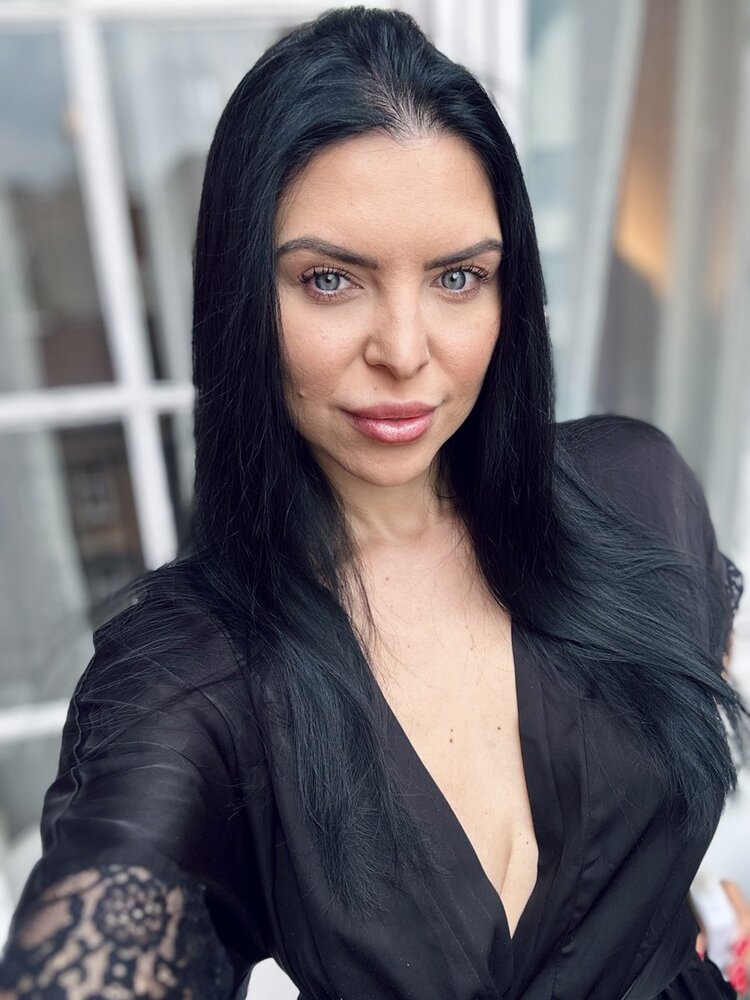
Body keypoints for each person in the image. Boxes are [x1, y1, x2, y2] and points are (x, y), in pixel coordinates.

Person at [0, 6, 747, 998]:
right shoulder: (190, 676)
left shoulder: (638, 491)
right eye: (329, 279)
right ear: (241, 299)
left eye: (457, 276)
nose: (404, 350)